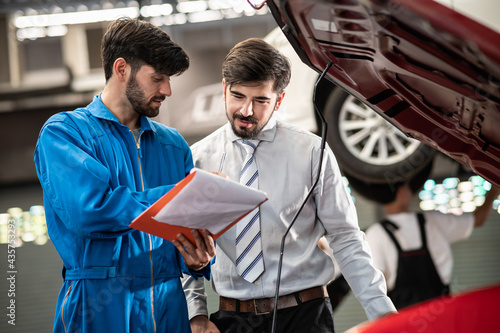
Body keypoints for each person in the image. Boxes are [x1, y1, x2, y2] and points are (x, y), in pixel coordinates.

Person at [182, 38, 396, 333]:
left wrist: (385, 316)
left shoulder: (312, 152)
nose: (246, 110)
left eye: (260, 101)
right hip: (232, 321)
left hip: (305, 317)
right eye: (237, 96)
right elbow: (183, 243)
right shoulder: (197, 159)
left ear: (279, 100)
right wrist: (196, 315)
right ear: (223, 89)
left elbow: (345, 238)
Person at [34, 17, 215, 332]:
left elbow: (188, 229)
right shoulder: (65, 133)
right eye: (157, 77)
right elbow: (90, 211)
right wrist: (177, 196)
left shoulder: (174, 145)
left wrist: (196, 260)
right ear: (121, 69)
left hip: (168, 308)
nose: (167, 89)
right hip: (97, 307)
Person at [362, 170, 500, 310]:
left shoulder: (375, 233)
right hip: (442, 316)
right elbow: (477, 220)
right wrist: (494, 189)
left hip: (402, 324)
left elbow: (378, 291)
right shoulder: (432, 221)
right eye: (407, 187)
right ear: (401, 193)